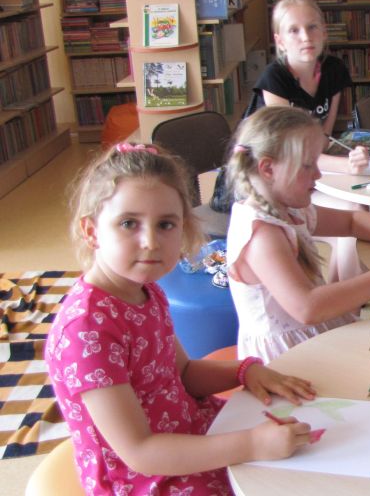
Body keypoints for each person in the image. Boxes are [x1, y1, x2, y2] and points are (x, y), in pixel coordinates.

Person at [45, 143, 317, 495]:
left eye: (165, 224)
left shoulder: (146, 289)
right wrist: (252, 444)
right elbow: (140, 452)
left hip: (186, 430)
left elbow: (183, 373)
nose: (150, 242)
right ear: (92, 231)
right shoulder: (87, 331)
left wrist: (244, 370)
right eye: (128, 223)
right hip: (144, 477)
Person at [225, 106, 370, 363]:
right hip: (285, 361)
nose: (318, 174)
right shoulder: (262, 234)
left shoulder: (290, 210)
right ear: (268, 169)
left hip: (313, 339)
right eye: (308, 165)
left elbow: (352, 221)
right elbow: (308, 308)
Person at [253, 0, 369, 175]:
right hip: (262, 173)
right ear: (280, 42)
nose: (306, 37)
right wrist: (346, 165)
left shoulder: (334, 70)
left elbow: (322, 140)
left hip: (302, 168)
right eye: (294, 30)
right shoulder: (274, 79)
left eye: (312, 27)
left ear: (324, 32)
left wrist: (356, 157)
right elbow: (292, 151)